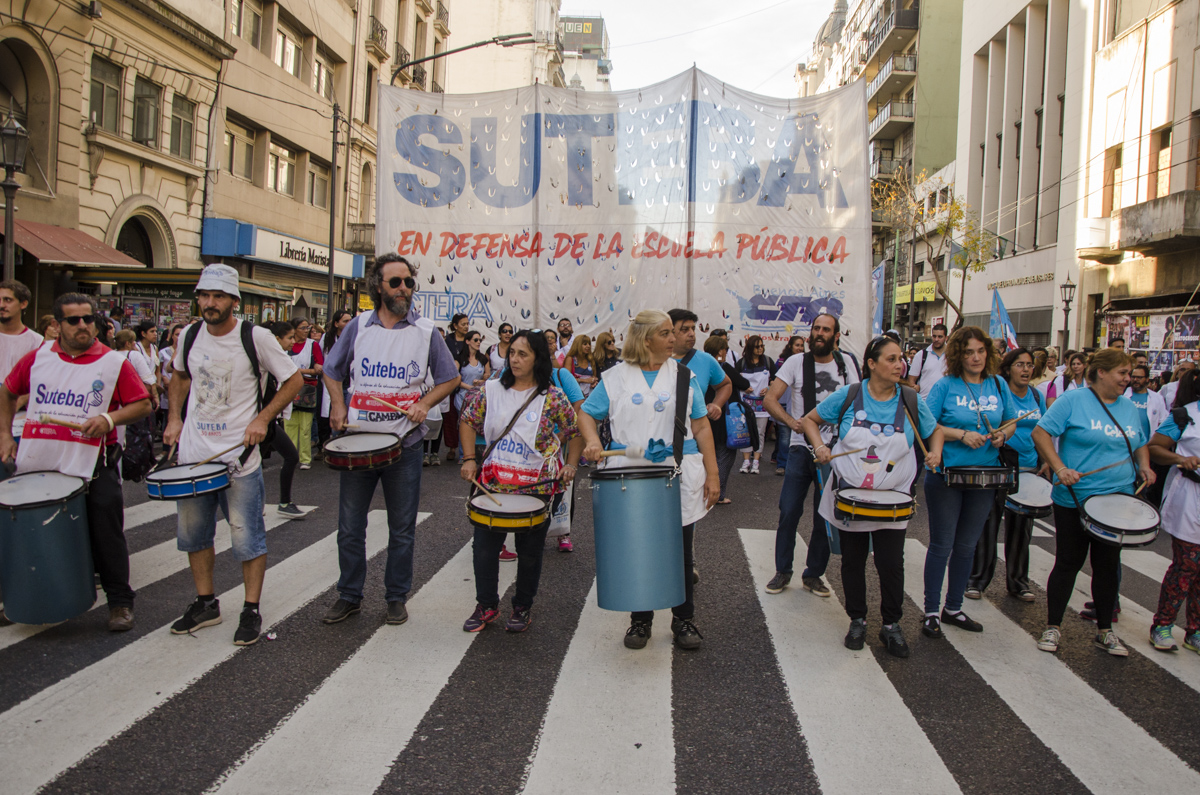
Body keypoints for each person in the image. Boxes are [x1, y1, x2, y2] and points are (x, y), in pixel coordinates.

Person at [163, 265, 302, 646]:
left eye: (218, 296)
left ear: (234, 301)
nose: (210, 303)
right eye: (205, 295)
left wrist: (262, 419)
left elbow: (294, 380)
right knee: (194, 535)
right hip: (194, 455)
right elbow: (180, 376)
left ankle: (250, 608)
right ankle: (206, 602)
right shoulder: (190, 334)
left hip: (239, 457)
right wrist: (174, 418)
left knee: (247, 538)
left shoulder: (254, 337)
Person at [321, 253, 460, 626]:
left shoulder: (426, 331)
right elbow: (331, 370)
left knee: (402, 529)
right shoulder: (358, 326)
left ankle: (396, 597)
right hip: (358, 442)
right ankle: (349, 595)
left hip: (405, 445)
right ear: (377, 286)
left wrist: (425, 403)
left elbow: (450, 378)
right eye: (395, 282)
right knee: (350, 527)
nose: (403, 289)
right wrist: (338, 405)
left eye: (409, 282)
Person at [0, 293, 151, 631]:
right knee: (33, 533)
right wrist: (5, 436)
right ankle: (24, 597)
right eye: (73, 320)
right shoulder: (38, 358)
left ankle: (120, 602)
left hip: (95, 462)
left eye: (88, 319)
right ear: (57, 325)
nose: (83, 325)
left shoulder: (112, 362)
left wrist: (109, 419)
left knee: (106, 533)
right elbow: (7, 392)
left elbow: (143, 404)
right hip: (44, 461)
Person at [579, 310, 720, 650]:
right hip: (629, 475)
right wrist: (593, 441)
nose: (674, 338)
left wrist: (713, 473)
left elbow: (701, 425)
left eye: (673, 332)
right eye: (666, 333)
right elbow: (586, 413)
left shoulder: (683, 376)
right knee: (636, 546)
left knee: (680, 550)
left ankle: (683, 619)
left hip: (677, 471)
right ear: (645, 339)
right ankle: (640, 620)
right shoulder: (616, 377)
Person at [801, 334, 942, 657]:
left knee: (891, 564)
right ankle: (857, 619)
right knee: (853, 561)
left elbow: (933, 430)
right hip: (851, 498)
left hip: (893, 500)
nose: (899, 364)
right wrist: (820, 447)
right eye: (891, 359)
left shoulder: (910, 398)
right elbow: (810, 420)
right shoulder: (850, 394)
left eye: (901, 358)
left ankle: (891, 625)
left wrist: (934, 452)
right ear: (871, 364)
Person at [1032, 348, 1153, 657]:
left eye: (1129, 374)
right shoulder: (1073, 400)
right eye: (1122, 373)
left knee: (1108, 565)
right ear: (1101, 372)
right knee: (1069, 562)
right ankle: (1053, 626)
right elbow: (1041, 433)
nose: (1128, 379)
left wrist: (1144, 465)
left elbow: (1139, 442)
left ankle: (1105, 630)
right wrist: (1060, 468)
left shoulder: (1129, 407)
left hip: (1117, 499)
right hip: (1075, 498)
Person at [459, 330, 582, 632]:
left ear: (538, 359)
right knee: (484, 549)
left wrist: (571, 464)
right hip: (493, 484)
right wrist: (469, 458)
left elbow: (575, 430)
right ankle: (486, 605)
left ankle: (522, 606)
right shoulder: (491, 390)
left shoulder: (552, 397)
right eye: (512, 353)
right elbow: (468, 421)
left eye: (522, 354)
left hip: (536, 487)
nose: (514, 359)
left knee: (529, 553)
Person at [921, 326, 1014, 639]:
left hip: (985, 475)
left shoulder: (998, 384)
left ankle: (954, 607)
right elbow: (928, 425)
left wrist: (1002, 435)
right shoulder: (945, 385)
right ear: (957, 355)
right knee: (942, 544)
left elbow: (1009, 422)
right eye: (969, 352)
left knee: (966, 546)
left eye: (981, 351)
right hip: (947, 474)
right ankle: (931, 611)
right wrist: (960, 434)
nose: (976, 357)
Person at [762, 313, 860, 595]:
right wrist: (791, 421)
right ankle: (783, 571)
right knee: (789, 510)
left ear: (836, 336)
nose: (819, 333)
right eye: (816, 328)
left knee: (824, 514)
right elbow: (770, 399)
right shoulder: (796, 362)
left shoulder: (847, 363)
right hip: (800, 448)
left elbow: (858, 400)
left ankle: (814, 573)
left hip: (835, 451)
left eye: (826, 329)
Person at [966, 348, 1045, 602]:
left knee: (1021, 528)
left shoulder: (1036, 396)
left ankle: (1018, 582)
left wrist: (1046, 460)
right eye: (1020, 364)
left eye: (1029, 365)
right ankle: (977, 580)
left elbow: (1045, 430)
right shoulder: (998, 392)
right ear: (1008, 369)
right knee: (989, 523)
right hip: (1000, 465)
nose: (1025, 369)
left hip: (1028, 467)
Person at [1146, 369, 1200, 653]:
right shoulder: (1185, 415)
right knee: (1186, 564)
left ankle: (1195, 631)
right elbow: (1155, 447)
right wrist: (1181, 458)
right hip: (1190, 496)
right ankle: (1163, 625)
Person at [702, 334, 756, 505]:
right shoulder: (724, 367)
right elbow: (744, 384)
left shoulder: (701, 366)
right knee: (725, 456)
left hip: (703, 417)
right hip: (724, 418)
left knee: (705, 455)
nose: (726, 352)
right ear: (720, 351)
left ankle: (702, 491)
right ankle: (718, 493)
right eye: (725, 349)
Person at [266, 321, 306, 518]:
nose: (293, 341)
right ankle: (283, 502)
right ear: (276, 339)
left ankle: (281, 502)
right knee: (291, 456)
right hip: (262, 421)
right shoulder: (266, 361)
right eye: (289, 338)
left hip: (268, 421)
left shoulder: (277, 359)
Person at [0, 281, 44, 445]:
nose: (1, 305)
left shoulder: (37, 342)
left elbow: (40, 380)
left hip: (19, 418)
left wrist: (16, 402)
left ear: (23, 304)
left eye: (7, 300)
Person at [283, 317, 323, 470]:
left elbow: (319, 368)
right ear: (294, 329)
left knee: (305, 427)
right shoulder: (287, 344)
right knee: (289, 426)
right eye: (303, 328)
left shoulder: (313, 345)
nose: (306, 331)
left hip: (307, 390)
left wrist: (300, 371)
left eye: (308, 328)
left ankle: (305, 459)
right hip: (288, 389)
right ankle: (290, 458)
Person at [736, 335, 776, 474]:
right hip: (746, 403)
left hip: (762, 404)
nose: (760, 349)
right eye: (757, 346)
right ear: (750, 348)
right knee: (745, 431)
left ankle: (756, 461)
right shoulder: (741, 363)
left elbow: (775, 380)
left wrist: (769, 388)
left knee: (760, 432)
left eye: (762, 346)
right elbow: (734, 381)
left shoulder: (768, 362)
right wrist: (743, 387)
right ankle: (746, 460)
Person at [771, 335, 808, 474]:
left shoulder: (806, 361)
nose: (800, 348)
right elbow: (773, 379)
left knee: (798, 437)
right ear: (790, 346)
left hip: (798, 404)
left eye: (801, 345)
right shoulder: (782, 362)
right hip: (784, 402)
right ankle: (782, 464)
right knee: (784, 436)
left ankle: (796, 466)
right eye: (797, 345)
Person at [318, 310, 352, 451]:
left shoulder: (354, 336)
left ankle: (344, 446)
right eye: (345, 321)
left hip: (348, 382)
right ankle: (332, 446)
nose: (349, 323)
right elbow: (322, 357)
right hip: (333, 382)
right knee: (334, 414)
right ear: (336, 324)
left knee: (348, 416)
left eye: (350, 320)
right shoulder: (327, 338)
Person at [454, 330, 491, 461]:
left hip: (478, 397)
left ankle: (476, 453)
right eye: (475, 340)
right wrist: (470, 387)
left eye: (480, 340)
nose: (478, 342)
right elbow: (455, 379)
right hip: (463, 396)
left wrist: (480, 382)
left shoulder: (483, 359)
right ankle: (463, 455)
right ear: (468, 341)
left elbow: (488, 377)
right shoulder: (460, 359)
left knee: (477, 425)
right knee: (464, 424)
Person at [442, 313, 470, 460]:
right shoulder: (447, 341)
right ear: (455, 326)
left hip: (465, 382)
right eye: (463, 324)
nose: (466, 327)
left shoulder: (470, 340)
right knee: (450, 418)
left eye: (467, 324)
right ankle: (452, 447)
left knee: (466, 418)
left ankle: (465, 449)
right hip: (449, 382)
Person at [904, 322, 947, 399]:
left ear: (946, 338)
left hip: (946, 401)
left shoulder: (952, 355)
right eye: (934, 336)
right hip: (925, 400)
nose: (936, 339)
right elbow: (911, 380)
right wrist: (914, 388)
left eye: (940, 337)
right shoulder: (921, 355)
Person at [159, 323, 184, 433]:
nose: (179, 337)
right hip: (168, 390)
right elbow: (164, 369)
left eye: (181, 335)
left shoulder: (189, 351)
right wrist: (163, 378)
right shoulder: (164, 352)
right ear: (171, 336)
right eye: (177, 334)